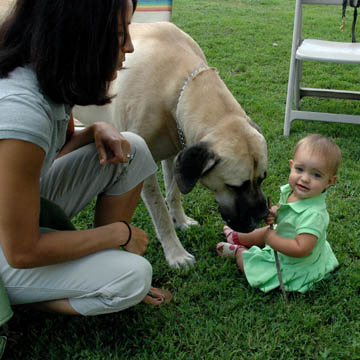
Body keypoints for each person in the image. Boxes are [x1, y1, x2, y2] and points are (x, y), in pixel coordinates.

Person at [0, 0, 171, 317]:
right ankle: (29, 301)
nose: (130, 47)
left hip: (14, 217)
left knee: (130, 148)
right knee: (132, 277)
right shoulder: (21, 112)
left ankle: (98, 267)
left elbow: (51, 151)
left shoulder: (46, 77)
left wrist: (93, 129)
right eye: (120, 34)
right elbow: (22, 251)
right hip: (11, 246)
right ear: (78, 36)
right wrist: (118, 234)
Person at [216, 134, 341, 293]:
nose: (304, 179)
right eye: (300, 169)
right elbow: (282, 207)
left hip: (295, 262)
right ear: (291, 165)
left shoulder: (314, 215)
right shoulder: (292, 191)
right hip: (284, 234)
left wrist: (273, 240)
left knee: (254, 268)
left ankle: (240, 252)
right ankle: (237, 237)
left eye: (316, 175)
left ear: (330, 181)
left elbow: (301, 248)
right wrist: (275, 211)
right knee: (265, 231)